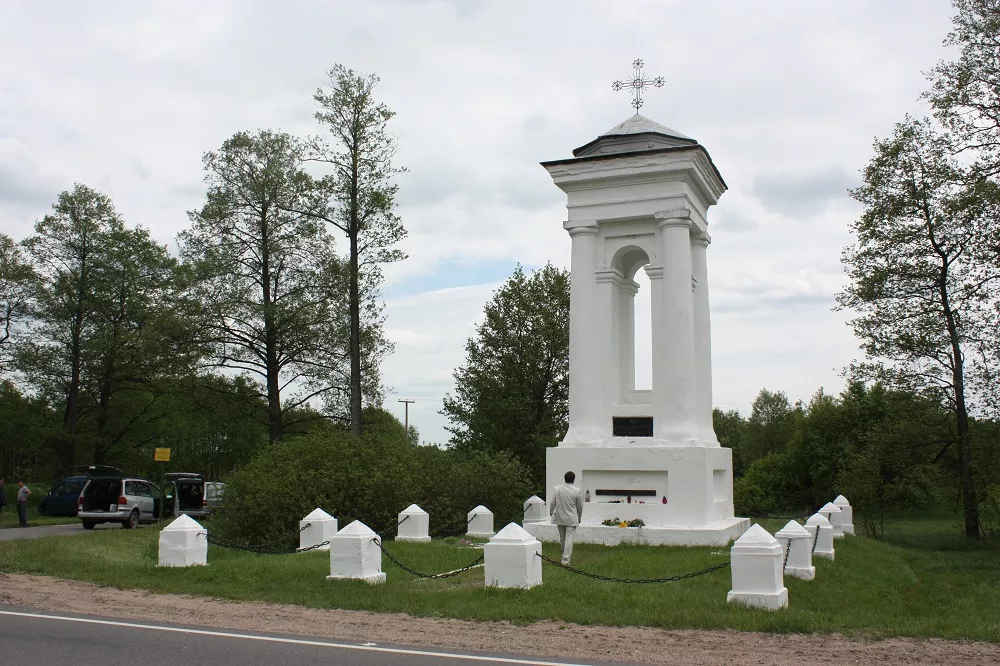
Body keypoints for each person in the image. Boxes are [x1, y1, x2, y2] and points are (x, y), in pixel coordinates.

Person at [549, 470, 584, 565]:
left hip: (559, 516)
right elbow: (580, 506)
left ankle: (564, 556)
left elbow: (552, 502)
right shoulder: (577, 491)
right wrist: (579, 517)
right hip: (572, 518)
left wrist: (551, 512)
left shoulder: (557, 489)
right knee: (569, 539)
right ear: (573, 479)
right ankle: (565, 560)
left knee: (562, 538)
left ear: (565, 478)